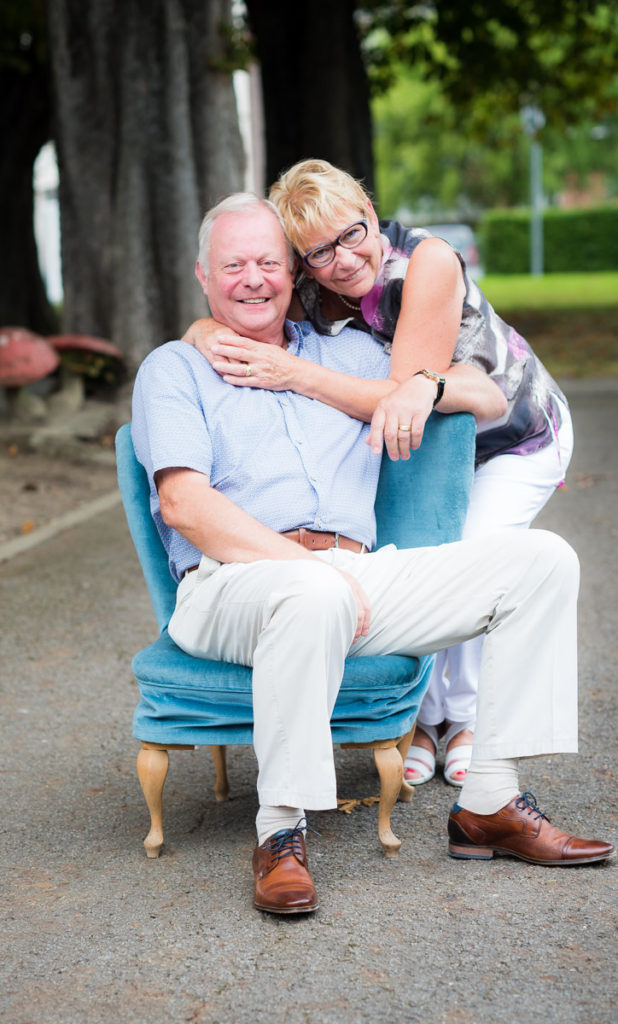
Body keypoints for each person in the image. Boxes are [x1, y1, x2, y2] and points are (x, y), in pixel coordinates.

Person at [132, 194, 613, 916]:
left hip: (355, 574)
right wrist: (307, 571)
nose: (254, 279)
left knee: (543, 561)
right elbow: (184, 507)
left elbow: (483, 392)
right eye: (234, 266)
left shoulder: (353, 352)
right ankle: (279, 833)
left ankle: (490, 801)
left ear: (295, 274)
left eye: (269, 262)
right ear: (204, 275)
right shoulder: (175, 368)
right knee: (313, 593)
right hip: (228, 584)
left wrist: (423, 385)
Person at [182, 159, 573, 790]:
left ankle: (467, 723)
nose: (341, 259)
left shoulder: (428, 263)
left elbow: (397, 394)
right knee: (423, 557)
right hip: (431, 442)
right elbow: (239, 313)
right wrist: (203, 331)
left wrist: (291, 374)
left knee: (476, 552)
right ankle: (422, 722)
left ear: (369, 211)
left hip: (511, 434)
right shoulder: (310, 283)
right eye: (317, 252)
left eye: (352, 234)